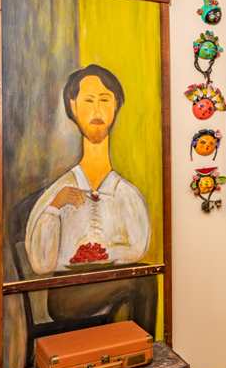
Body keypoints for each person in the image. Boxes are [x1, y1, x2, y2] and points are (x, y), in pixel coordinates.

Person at [25, 64, 150, 274]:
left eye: (105, 100)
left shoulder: (127, 195)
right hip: (67, 290)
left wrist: (104, 253)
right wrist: (55, 207)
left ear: (116, 106)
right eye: (89, 101)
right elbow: (42, 264)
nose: (97, 110)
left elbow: (138, 250)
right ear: (73, 107)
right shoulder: (58, 193)